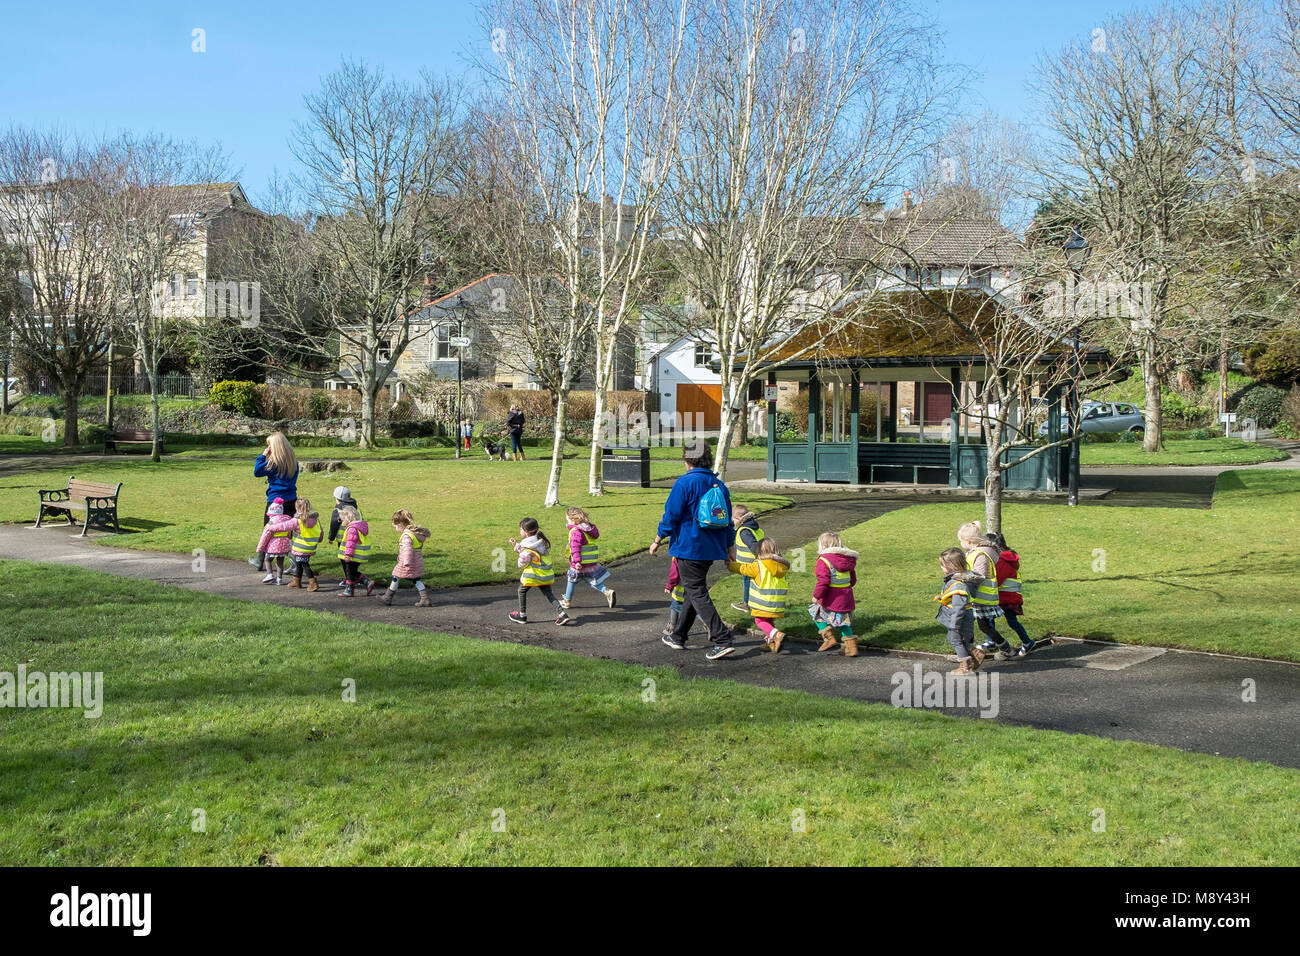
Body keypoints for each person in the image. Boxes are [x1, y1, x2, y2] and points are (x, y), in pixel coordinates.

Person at [649, 442, 738, 659]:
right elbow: (727, 521)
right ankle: (678, 636)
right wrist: (729, 546)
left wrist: (658, 538)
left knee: (696, 591)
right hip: (712, 548)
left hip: (690, 547)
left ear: (687, 460)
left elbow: (672, 515)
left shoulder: (684, 483)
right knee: (692, 589)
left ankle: (722, 638)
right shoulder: (718, 485)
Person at [958, 521, 1018, 661]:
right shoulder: (978, 552)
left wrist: (960, 577)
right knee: (982, 626)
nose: (960, 544)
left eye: (961, 541)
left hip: (980, 598)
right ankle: (1005, 648)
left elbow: (979, 576)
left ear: (968, 541)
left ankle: (967, 654)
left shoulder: (980, 555)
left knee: (967, 624)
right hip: (979, 598)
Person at [727, 537, 790, 653]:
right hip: (777, 602)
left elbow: (743, 568)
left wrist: (730, 565)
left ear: (759, 551)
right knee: (768, 621)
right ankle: (770, 642)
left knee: (759, 621)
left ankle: (776, 634)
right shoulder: (781, 566)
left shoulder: (759, 565)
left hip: (762, 601)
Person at [249, 432, 299, 569]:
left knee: (269, 529)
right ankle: (295, 563)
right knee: (289, 530)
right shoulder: (293, 463)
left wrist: (263, 455)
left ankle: (260, 560)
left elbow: (257, 471)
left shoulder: (273, 464)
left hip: (275, 501)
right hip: (291, 499)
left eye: (269, 446)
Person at [508, 517, 572, 625]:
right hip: (544, 574)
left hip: (532, 575)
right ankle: (562, 614)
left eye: (521, 529)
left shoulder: (527, 546)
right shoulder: (540, 541)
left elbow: (524, 559)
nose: (520, 531)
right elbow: (528, 550)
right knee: (549, 594)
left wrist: (520, 562)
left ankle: (522, 615)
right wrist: (516, 546)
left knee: (521, 591)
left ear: (526, 532)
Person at [935, 547, 985, 674]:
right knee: (958, 640)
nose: (941, 568)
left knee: (956, 640)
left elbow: (959, 608)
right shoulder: (956, 580)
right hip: (958, 617)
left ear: (952, 566)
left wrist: (954, 624)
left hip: (958, 618)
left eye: (943, 565)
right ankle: (975, 653)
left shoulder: (958, 584)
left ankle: (965, 668)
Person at [810, 531, 859, 656]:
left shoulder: (823, 560)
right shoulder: (848, 560)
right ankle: (851, 648)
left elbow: (823, 581)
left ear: (823, 545)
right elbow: (852, 580)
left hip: (831, 598)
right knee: (843, 622)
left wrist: (816, 596)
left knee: (815, 612)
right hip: (846, 596)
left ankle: (829, 638)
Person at [987, 530, 1035, 657]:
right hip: (1005, 597)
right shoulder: (1004, 558)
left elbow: (997, 580)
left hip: (1007, 598)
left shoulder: (1002, 561)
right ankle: (991, 640)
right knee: (989, 618)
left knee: (1010, 621)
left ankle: (1027, 642)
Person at [560, 507, 615, 609]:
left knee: (571, 579)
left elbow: (575, 547)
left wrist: (577, 561)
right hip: (590, 562)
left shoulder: (576, 531)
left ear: (573, 520)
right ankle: (606, 591)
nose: (566, 521)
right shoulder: (588, 528)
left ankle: (567, 601)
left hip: (580, 562)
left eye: (567, 519)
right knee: (590, 579)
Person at [379, 509, 431, 607]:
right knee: (416, 580)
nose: (395, 528)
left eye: (395, 526)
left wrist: (406, 563)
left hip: (406, 563)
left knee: (396, 577)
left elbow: (407, 550)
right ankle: (425, 598)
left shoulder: (406, 536)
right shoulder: (414, 534)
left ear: (400, 525)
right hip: (416, 561)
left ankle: (388, 597)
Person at [729, 505, 765, 613]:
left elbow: (753, 546)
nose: (732, 523)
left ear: (739, 518)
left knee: (747, 582)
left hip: (748, 564)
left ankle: (746, 604)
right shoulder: (754, 527)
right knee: (755, 583)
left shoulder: (744, 531)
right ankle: (757, 602)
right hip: (756, 562)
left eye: (733, 520)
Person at [254, 498, 296, 585]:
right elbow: (289, 533)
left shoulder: (271, 522)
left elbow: (265, 536)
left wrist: (260, 548)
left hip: (273, 546)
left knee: (268, 559)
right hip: (284, 545)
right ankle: (279, 579)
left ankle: (270, 575)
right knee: (280, 562)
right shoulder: (287, 520)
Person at [336, 505, 376, 598]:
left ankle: (350, 589)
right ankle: (366, 582)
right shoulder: (359, 526)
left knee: (349, 571)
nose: (343, 522)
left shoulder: (352, 529)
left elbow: (351, 543)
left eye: (343, 520)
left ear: (348, 518)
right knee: (353, 571)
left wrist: (348, 555)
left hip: (354, 555)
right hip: (360, 555)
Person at [287, 499, 322, 591]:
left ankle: (313, 582)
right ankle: (296, 580)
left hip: (301, 547)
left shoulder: (298, 520)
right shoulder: (315, 519)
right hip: (310, 546)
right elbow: (321, 531)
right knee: (299, 563)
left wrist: (271, 527)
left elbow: (285, 526)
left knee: (304, 564)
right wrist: (320, 539)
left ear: (297, 508)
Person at [663, 556, 685, 637]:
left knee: (675, 605)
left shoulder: (677, 555)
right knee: (697, 608)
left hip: (680, 589)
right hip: (694, 588)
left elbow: (674, 573)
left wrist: (670, 585)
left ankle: (672, 627)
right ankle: (709, 625)